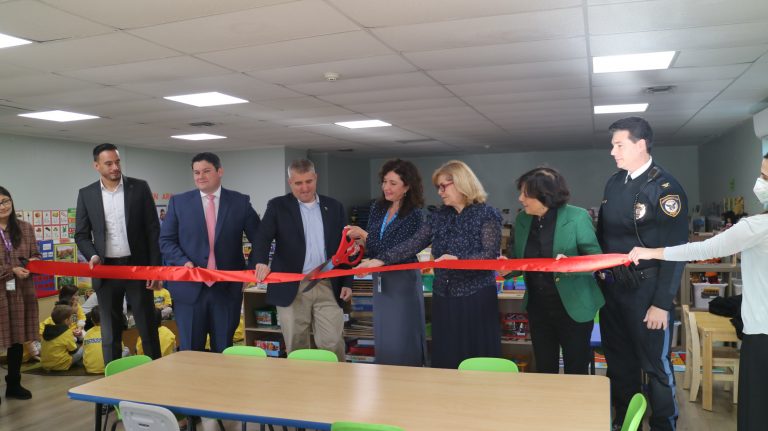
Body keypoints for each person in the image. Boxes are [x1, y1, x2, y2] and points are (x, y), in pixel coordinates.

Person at [629, 151, 768, 431]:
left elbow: (703, 249)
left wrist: (652, 251)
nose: (760, 181)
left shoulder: (759, 226)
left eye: (765, 176)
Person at [357, 160, 502, 369]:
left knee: (475, 358)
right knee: (447, 358)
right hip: (444, 296)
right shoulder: (439, 216)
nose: (440, 192)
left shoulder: (487, 214)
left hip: (475, 297)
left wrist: (459, 262)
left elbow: (489, 256)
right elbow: (413, 243)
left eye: (445, 186)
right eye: (438, 187)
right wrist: (379, 260)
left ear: (462, 183)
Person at [596, 117, 688, 431]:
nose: (612, 151)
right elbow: (604, 238)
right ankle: (624, 421)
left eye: (618, 144)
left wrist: (662, 303)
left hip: (648, 293)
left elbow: (677, 252)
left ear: (640, 144)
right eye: (612, 145)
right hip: (614, 292)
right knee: (620, 364)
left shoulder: (664, 188)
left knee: (656, 367)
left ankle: (665, 425)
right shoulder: (614, 183)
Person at [503, 167, 603, 374]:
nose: (520, 198)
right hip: (538, 309)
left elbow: (595, 259)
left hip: (573, 308)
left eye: (525, 193)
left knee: (576, 370)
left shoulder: (577, 217)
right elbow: (518, 260)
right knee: (544, 369)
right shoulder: (522, 220)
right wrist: (506, 268)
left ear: (544, 195)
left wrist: (571, 263)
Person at [253, 159, 353, 361]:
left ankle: (337, 388)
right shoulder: (278, 206)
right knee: (296, 345)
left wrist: (348, 281)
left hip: (328, 284)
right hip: (292, 286)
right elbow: (262, 237)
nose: (304, 187)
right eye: (298, 183)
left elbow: (347, 247)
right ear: (290, 182)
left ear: (316, 178)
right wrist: (261, 261)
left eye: (309, 181)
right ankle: (300, 390)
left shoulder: (334, 207)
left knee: (332, 343)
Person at [160, 152, 260, 353]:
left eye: (206, 171)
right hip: (188, 289)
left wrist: (249, 272)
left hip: (226, 290)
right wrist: (183, 261)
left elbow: (260, 240)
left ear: (219, 171)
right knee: (190, 352)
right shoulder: (179, 202)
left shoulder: (240, 202)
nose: (200, 176)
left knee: (223, 349)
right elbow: (166, 241)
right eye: (196, 172)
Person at [75, 143, 162, 364]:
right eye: (109, 163)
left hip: (137, 267)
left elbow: (153, 231)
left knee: (147, 327)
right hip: (106, 270)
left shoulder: (139, 188)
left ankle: (158, 377)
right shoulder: (87, 194)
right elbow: (81, 235)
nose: (115, 167)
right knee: (110, 332)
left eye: (117, 162)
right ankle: (110, 385)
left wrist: (155, 269)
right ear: (96, 166)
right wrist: (92, 255)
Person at [346, 159, 427, 366]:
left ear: (407, 186)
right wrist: (359, 245)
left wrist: (364, 234)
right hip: (380, 279)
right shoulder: (378, 208)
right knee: (384, 332)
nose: (386, 188)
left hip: (402, 280)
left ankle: (409, 373)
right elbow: (376, 247)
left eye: (393, 183)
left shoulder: (415, 215)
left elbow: (395, 248)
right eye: (384, 182)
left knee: (403, 331)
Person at [0, 186, 40, 401]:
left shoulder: (25, 228)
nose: (3, 206)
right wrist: (10, 270)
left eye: (6, 201)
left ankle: (14, 383)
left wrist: (34, 262)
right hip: (0, 290)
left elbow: (36, 254)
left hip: (21, 291)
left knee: (17, 338)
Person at [41, 304, 83, 371]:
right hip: (61, 365)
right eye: (71, 317)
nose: (72, 319)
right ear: (66, 321)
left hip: (45, 365)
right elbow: (73, 351)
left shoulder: (46, 330)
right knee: (84, 347)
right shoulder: (66, 332)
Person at [83, 305, 105, 374]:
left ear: (92, 320)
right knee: (126, 349)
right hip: (109, 367)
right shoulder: (111, 331)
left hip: (90, 369)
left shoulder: (87, 333)